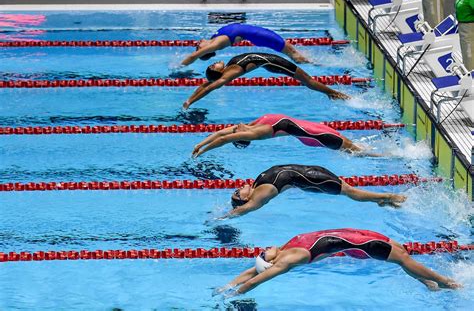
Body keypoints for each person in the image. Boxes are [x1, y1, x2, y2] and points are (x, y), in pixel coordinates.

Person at [214, 228, 461, 297]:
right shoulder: (287, 259)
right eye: (264, 254)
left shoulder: (285, 248)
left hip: (361, 235)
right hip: (360, 245)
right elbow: (259, 278)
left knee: (401, 256)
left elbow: (252, 270)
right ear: (272, 262)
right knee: (404, 259)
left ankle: (429, 283)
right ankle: (446, 282)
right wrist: (233, 294)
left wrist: (228, 284)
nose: (264, 250)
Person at [221, 164, 406, 219]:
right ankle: (387, 196)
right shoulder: (259, 196)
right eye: (237, 195)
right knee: (350, 191)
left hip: (312, 171)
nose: (237, 190)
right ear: (246, 199)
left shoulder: (255, 185)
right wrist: (224, 217)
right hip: (313, 179)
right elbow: (245, 209)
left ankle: (380, 201)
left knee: (348, 190)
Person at [182, 53, 349, 110]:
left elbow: (206, 84)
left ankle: (332, 93)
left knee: (307, 82)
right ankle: (335, 93)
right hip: (276, 63)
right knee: (308, 81)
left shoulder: (227, 69)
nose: (214, 62)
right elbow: (210, 87)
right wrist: (191, 101)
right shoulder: (229, 73)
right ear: (218, 72)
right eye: (213, 65)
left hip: (270, 64)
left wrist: (190, 98)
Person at [192, 114, 379, 158]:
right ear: (242, 136)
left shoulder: (251, 126)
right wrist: (204, 151)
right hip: (313, 135)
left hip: (311, 130)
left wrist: (200, 143)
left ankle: (384, 152)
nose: (233, 127)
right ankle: (390, 155)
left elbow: (221, 133)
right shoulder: (257, 132)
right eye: (235, 130)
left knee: (355, 148)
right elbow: (224, 139)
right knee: (357, 151)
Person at [180, 23, 309, 66]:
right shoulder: (215, 44)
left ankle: (311, 61)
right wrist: (179, 66)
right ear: (205, 50)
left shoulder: (214, 37)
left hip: (258, 33)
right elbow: (193, 57)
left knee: (292, 52)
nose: (197, 44)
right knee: (294, 54)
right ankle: (317, 63)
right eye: (198, 48)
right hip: (260, 36)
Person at [456, 0, 474, 70]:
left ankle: (470, 72)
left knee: (468, 51)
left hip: (469, 27)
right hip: (463, 26)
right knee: (465, 50)